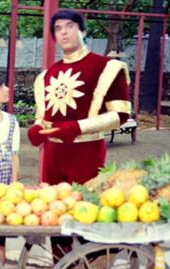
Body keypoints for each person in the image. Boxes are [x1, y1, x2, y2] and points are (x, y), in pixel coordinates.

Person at [27, 9, 131, 185]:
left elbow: (120, 115)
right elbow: (43, 117)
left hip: (87, 153)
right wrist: (37, 128)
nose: (64, 32)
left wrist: (77, 127)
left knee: (86, 208)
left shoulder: (107, 67)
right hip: (52, 156)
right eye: (58, 28)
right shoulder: (46, 75)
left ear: (83, 31)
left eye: (70, 26)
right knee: (50, 208)